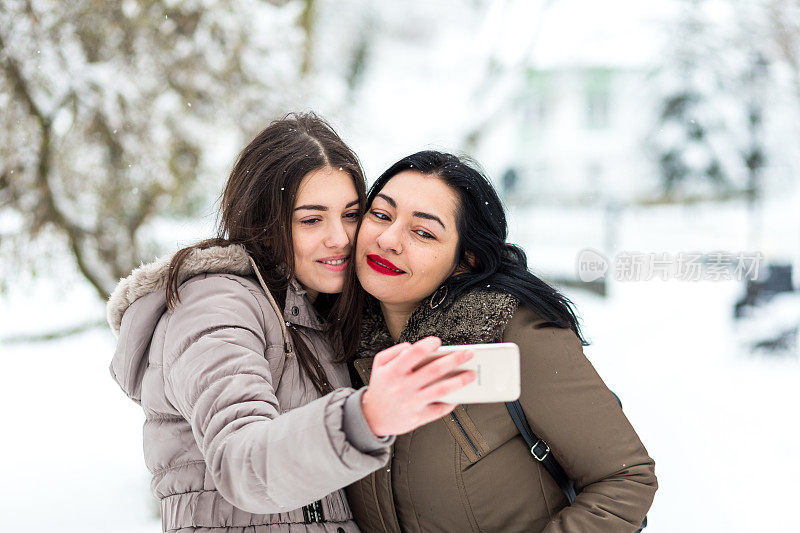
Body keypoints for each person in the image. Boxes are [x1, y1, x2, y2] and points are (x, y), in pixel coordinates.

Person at [107, 115, 475, 533]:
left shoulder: (314, 314)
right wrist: (365, 417)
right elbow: (242, 464)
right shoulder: (216, 305)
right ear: (264, 221)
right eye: (311, 219)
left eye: (351, 215)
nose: (340, 237)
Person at [340, 151, 658, 532]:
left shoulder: (514, 334)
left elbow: (625, 480)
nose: (389, 239)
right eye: (381, 215)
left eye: (423, 232)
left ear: (466, 259)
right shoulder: (338, 347)